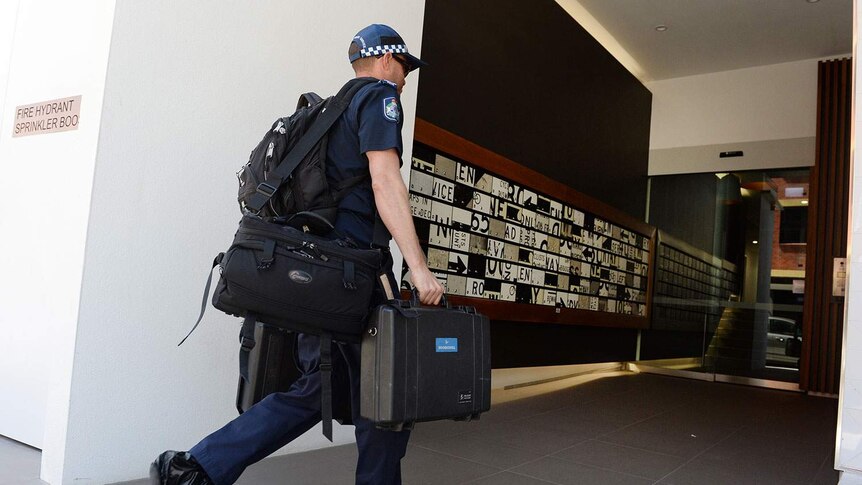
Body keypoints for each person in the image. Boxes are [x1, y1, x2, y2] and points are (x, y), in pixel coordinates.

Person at [151, 24, 445, 485]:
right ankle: (199, 468)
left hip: (317, 275)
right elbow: (386, 181)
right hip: (352, 277)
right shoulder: (380, 99)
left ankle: (198, 469)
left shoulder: (329, 110)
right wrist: (420, 269)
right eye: (405, 66)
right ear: (387, 61)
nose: (406, 77)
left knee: (322, 388)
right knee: (385, 387)